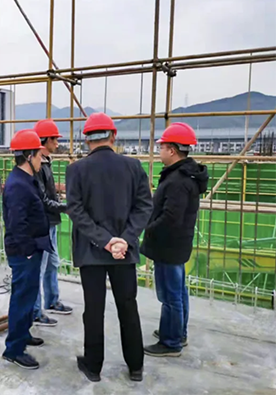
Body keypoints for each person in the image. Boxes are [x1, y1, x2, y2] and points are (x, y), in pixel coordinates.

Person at [66, 112, 153, 382]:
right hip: (124, 252)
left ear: (87, 140)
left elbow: (76, 211)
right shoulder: (133, 166)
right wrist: (124, 239)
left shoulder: (76, 170)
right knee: (128, 307)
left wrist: (104, 241)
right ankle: (135, 366)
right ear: (113, 136)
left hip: (92, 252)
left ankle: (93, 367)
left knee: (94, 310)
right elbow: (144, 206)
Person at [142, 123, 209, 357]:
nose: (159, 150)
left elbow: (170, 217)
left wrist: (148, 229)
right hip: (177, 244)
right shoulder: (184, 175)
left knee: (170, 296)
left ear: (172, 150)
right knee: (178, 291)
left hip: (168, 246)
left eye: (161, 147)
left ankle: (171, 342)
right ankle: (178, 333)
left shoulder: (178, 180)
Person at [2, 129, 53, 370]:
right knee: (22, 298)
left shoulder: (26, 180)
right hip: (24, 253)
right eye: (39, 156)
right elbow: (16, 224)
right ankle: (13, 349)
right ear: (29, 156)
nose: (42, 160)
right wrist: (29, 250)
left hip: (31, 249)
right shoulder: (18, 185)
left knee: (28, 295)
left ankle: (23, 334)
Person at [31, 119, 72, 328]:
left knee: (52, 264)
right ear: (45, 140)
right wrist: (66, 207)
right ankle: (35, 312)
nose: (57, 143)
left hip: (51, 221)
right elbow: (43, 199)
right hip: (43, 223)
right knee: (40, 268)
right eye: (55, 139)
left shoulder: (46, 161)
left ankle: (52, 300)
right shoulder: (37, 164)